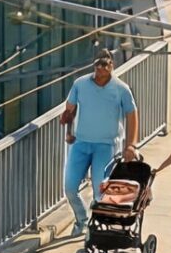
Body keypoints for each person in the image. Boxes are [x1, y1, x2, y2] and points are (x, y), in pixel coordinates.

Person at [60, 53, 140, 242]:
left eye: (106, 64)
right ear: (94, 65)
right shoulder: (80, 84)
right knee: (70, 187)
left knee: (100, 190)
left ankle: (93, 231)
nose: (102, 68)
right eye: (98, 64)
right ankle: (81, 219)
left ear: (112, 65)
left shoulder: (121, 89)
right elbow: (70, 110)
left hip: (106, 145)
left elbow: (132, 116)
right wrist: (69, 131)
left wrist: (131, 144)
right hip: (81, 142)